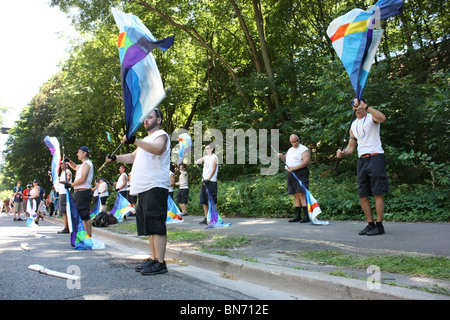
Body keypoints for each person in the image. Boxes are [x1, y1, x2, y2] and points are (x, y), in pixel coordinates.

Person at [106, 108, 170, 275]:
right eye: (145, 118)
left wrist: (134, 140)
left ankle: (161, 263)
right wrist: (115, 158)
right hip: (144, 188)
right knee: (149, 226)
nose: (146, 121)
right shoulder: (145, 141)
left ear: (159, 120)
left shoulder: (161, 135)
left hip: (155, 186)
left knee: (156, 224)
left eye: (150, 117)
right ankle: (154, 258)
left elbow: (158, 149)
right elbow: (133, 157)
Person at [336, 98, 389, 236]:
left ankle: (379, 225)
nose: (357, 109)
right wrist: (343, 153)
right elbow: (351, 147)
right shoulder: (353, 125)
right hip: (362, 160)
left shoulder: (372, 117)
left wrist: (368, 107)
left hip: (375, 156)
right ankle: (370, 224)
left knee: (377, 192)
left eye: (359, 106)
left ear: (364, 105)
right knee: (363, 194)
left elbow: (383, 118)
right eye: (355, 107)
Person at [278, 134, 311, 223]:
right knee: (295, 194)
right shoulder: (290, 150)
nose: (295, 143)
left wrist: (295, 168)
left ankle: (306, 216)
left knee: (301, 194)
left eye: (296, 141)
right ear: (290, 142)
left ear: (299, 140)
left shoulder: (304, 149)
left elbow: (306, 162)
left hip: (300, 173)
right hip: (290, 173)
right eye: (293, 142)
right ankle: (297, 216)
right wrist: (282, 156)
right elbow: (286, 158)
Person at [64, 146, 94, 236]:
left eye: (79, 152)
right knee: (83, 215)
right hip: (80, 192)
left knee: (84, 215)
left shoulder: (87, 164)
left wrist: (71, 185)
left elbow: (83, 179)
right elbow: (75, 167)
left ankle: (88, 236)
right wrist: (68, 161)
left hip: (83, 192)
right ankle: (86, 236)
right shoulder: (82, 165)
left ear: (84, 153)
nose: (77, 154)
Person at [195, 141, 218, 225]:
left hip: (211, 182)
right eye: (205, 148)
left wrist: (208, 179)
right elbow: (198, 160)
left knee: (213, 200)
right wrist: (197, 162)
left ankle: (214, 219)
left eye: (208, 148)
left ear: (212, 149)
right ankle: (206, 218)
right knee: (204, 201)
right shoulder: (206, 157)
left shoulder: (214, 157)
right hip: (204, 182)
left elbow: (213, 169)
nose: (206, 150)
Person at [57, 163, 72, 234]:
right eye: (61, 164)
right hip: (62, 193)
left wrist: (58, 181)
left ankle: (67, 227)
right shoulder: (63, 172)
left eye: (64, 164)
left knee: (64, 211)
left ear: (67, 165)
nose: (62, 165)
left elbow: (67, 181)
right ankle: (67, 226)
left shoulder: (67, 171)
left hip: (64, 193)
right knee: (63, 211)